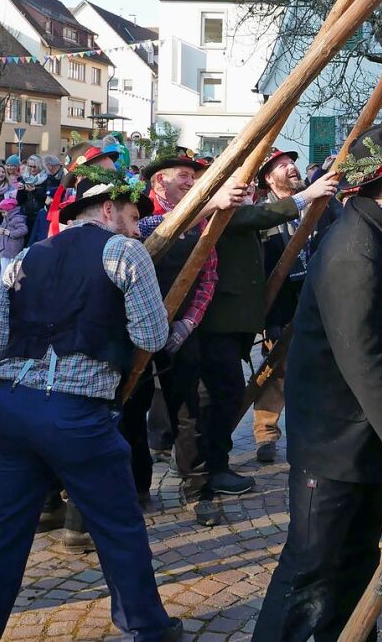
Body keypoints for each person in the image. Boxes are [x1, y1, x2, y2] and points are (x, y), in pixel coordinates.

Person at [0, 169, 183, 642]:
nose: (137, 225)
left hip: (14, 411)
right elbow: (151, 336)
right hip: (77, 416)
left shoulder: (25, 257)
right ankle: (148, 628)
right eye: (133, 215)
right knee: (118, 527)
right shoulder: (123, 250)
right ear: (106, 209)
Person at [253, 122, 382, 641]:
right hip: (334, 442)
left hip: (361, 440)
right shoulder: (354, 248)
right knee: (309, 568)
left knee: (355, 561)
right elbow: (365, 358)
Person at [197, 166, 337, 487]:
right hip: (240, 318)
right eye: (280, 164)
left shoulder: (251, 209)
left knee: (230, 392)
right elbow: (260, 219)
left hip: (279, 310)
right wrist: (305, 197)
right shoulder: (232, 212)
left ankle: (213, 462)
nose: (242, 189)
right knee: (232, 391)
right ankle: (212, 465)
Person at [124, 155, 246, 524]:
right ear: (159, 182)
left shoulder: (203, 224)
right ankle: (137, 488)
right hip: (136, 329)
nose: (191, 182)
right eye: (183, 176)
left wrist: (188, 323)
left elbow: (208, 276)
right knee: (133, 411)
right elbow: (157, 230)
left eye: (194, 177)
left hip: (181, 331)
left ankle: (196, 488)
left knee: (187, 409)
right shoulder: (140, 212)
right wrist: (209, 202)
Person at [253, 148, 341, 463]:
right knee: (274, 372)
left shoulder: (321, 203)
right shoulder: (263, 213)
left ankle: (317, 429)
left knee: (319, 367)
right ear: (268, 176)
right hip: (280, 302)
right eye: (282, 165)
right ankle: (266, 434)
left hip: (315, 297)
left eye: (292, 162)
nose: (291, 167)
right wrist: (268, 315)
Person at [0, 197, 28, 278]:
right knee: (4, 270)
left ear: (10, 211)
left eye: (4, 212)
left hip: (12, 250)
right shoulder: (6, 218)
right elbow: (1, 226)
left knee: (9, 271)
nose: (2, 214)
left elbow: (24, 230)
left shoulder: (17, 218)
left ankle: (6, 289)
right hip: (3, 249)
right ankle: (3, 289)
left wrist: (11, 233)